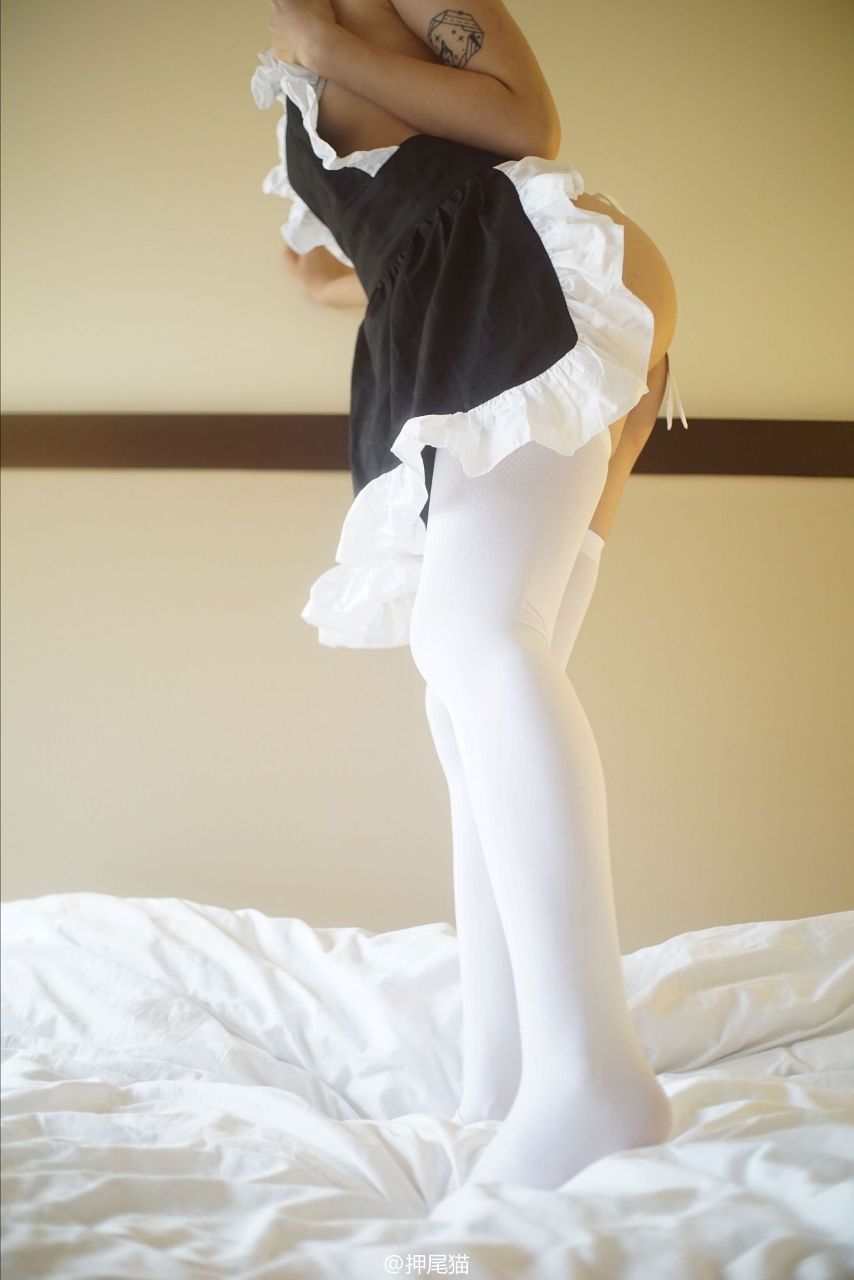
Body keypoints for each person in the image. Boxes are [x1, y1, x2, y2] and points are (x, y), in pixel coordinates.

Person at [252, 0, 688, 1191]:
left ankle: (591, 1076)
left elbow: (525, 121)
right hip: (462, 295)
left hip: (528, 272)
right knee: (466, 694)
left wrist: (325, 51)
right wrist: (337, 265)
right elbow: (383, 227)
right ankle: (507, 1074)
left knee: (473, 638)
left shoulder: (340, 15)